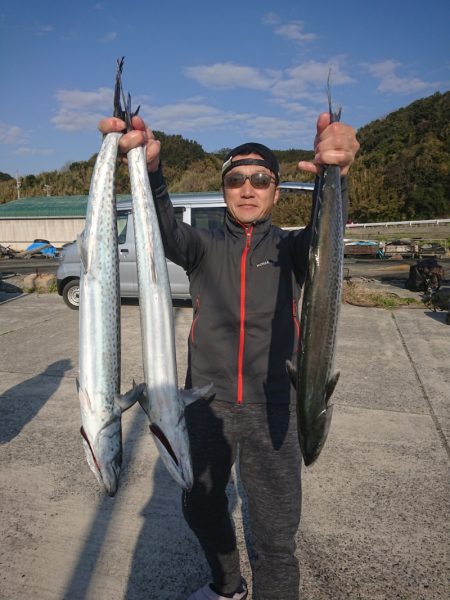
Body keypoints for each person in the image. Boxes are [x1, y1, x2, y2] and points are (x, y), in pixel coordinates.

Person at [99, 112, 359, 600]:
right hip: (207, 405)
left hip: (276, 407)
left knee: (275, 537)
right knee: (198, 506)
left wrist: (337, 177)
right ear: (224, 190)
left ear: (276, 192)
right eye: (235, 179)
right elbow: (161, 227)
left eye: (260, 179)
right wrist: (150, 169)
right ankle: (228, 586)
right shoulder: (201, 247)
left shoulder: (293, 249)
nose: (247, 188)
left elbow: (328, 237)